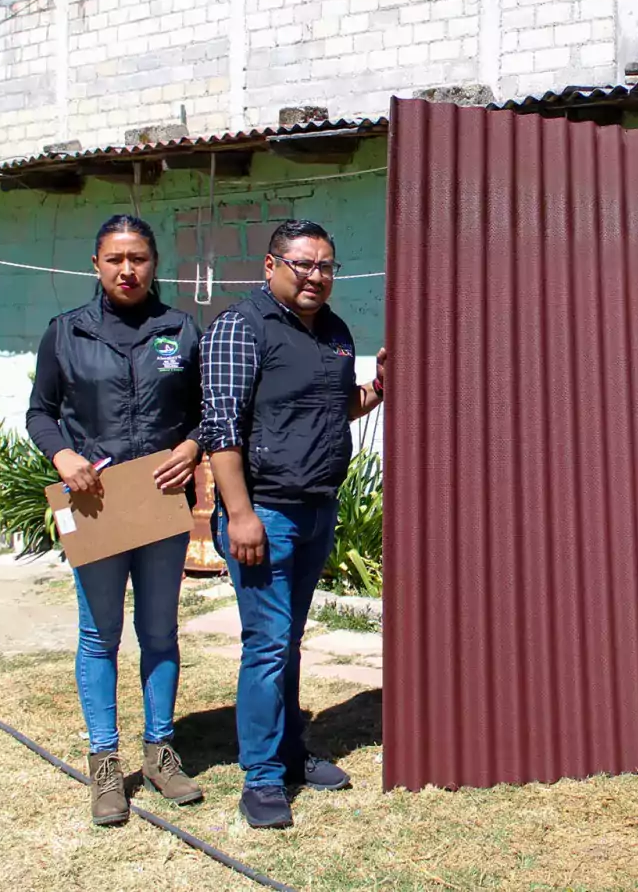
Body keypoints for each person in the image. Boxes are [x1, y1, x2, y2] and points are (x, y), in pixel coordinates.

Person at [200, 219, 386, 830]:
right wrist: (241, 514)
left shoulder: (333, 331)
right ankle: (261, 779)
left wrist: (379, 388)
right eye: (303, 264)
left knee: (289, 641)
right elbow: (221, 428)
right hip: (266, 513)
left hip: (317, 507)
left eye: (326, 266)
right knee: (268, 644)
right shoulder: (240, 327)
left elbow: (338, 403)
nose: (315, 276)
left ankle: (288, 752)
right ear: (271, 265)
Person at [25, 214, 205, 826]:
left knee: (159, 632)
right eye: (114, 259)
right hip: (95, 506)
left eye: (139, 258)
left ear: (155, 264)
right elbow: (40, 412)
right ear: (96, 265)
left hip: (158, 501)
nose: (127, 270)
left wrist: (194, 446)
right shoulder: (65, 332)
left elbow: (208, 409)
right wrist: (63, 454)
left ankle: (160, 752)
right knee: (99, 636)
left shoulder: (180, 330)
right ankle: (104, 763)